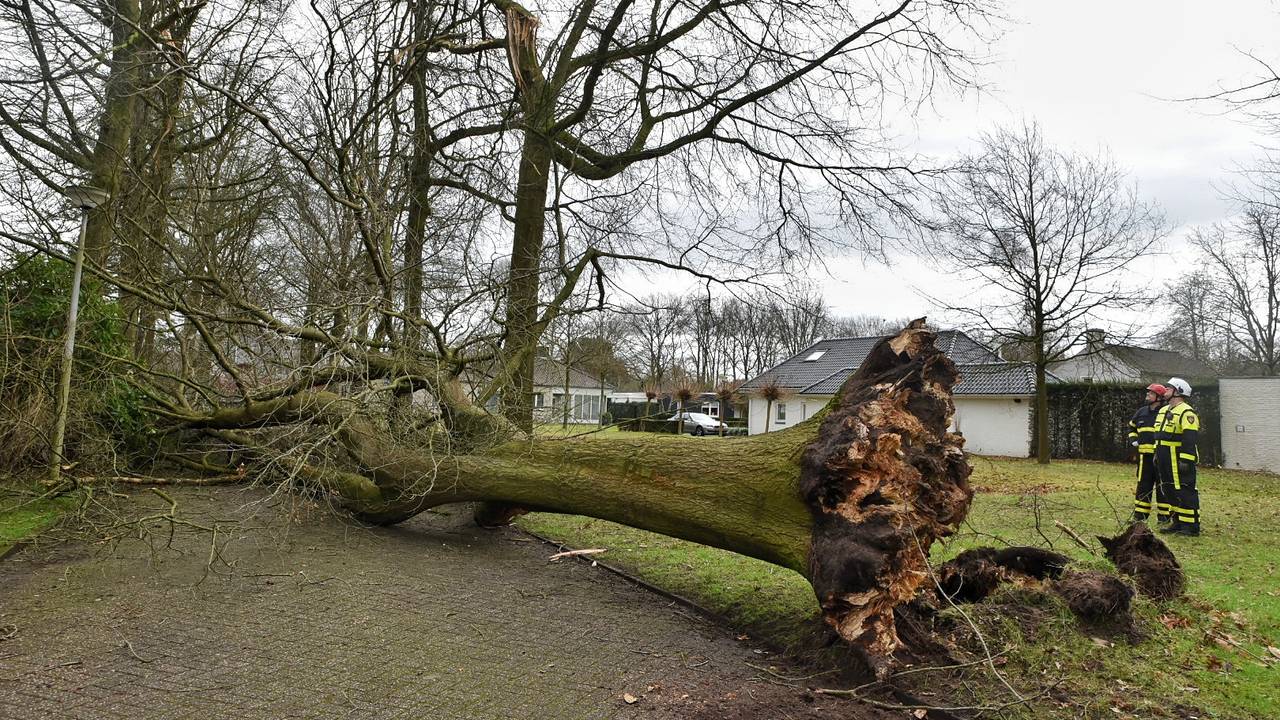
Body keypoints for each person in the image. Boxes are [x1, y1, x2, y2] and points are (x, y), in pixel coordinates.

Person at [1154, 377, 1201, 536]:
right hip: (1164, 454)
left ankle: (1191, 526)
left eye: (1169, 388)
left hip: (1178, 456)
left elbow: (1190, 437)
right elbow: (1158, 435)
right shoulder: (1163, 410)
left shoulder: (1187, 412)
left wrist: (1186, 460)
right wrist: (1156, 453)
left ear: (1178, 391)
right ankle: (1177, 521)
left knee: (1185, 489)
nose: (1165, 390)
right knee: (1168, 488)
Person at [1127, 383, 1168, 524]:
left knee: (1162, 486)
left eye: (1150, 394)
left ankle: (1164, 517)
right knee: (1143, 486)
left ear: (1159, 397)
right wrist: (1134, 440)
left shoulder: (1166, 412)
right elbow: (1131, 427)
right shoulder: (1141, 412)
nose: (1147, 396)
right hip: (1144, 457)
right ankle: (1139, 517)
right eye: (1148, 393)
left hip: (1161, 457)